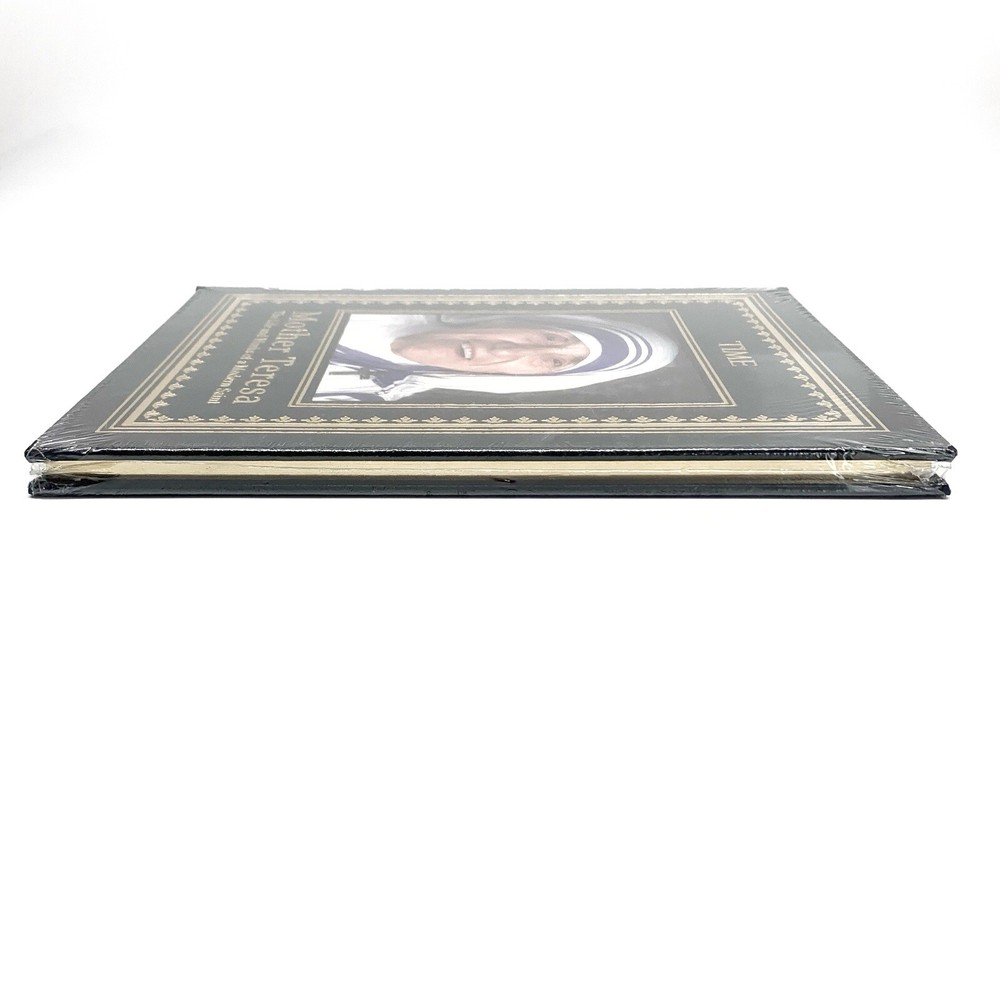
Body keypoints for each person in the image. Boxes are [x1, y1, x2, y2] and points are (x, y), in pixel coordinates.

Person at [313, 312, 679, 402]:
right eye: (550, 337)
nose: (506, 351)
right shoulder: (365, 311)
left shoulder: (373, 398)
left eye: (556, 363)